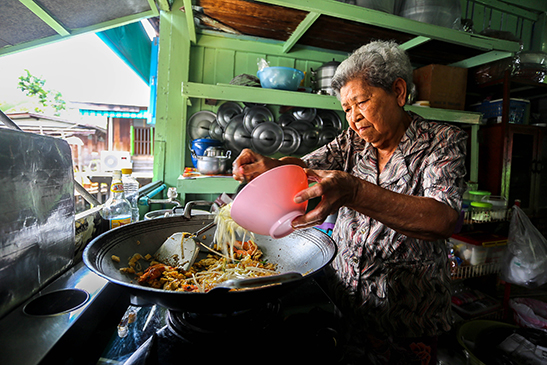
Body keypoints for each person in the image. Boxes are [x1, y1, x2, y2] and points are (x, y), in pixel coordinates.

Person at [232, 40, 467, 364]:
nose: (354, 119)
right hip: (347, 300)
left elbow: (442, 219)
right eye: (346, 109)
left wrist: (356, 192)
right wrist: (270, 165)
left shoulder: (441, 141)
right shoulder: (352, 142)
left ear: (399, 92)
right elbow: (304, 168)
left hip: (409, 313)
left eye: (361, 102)